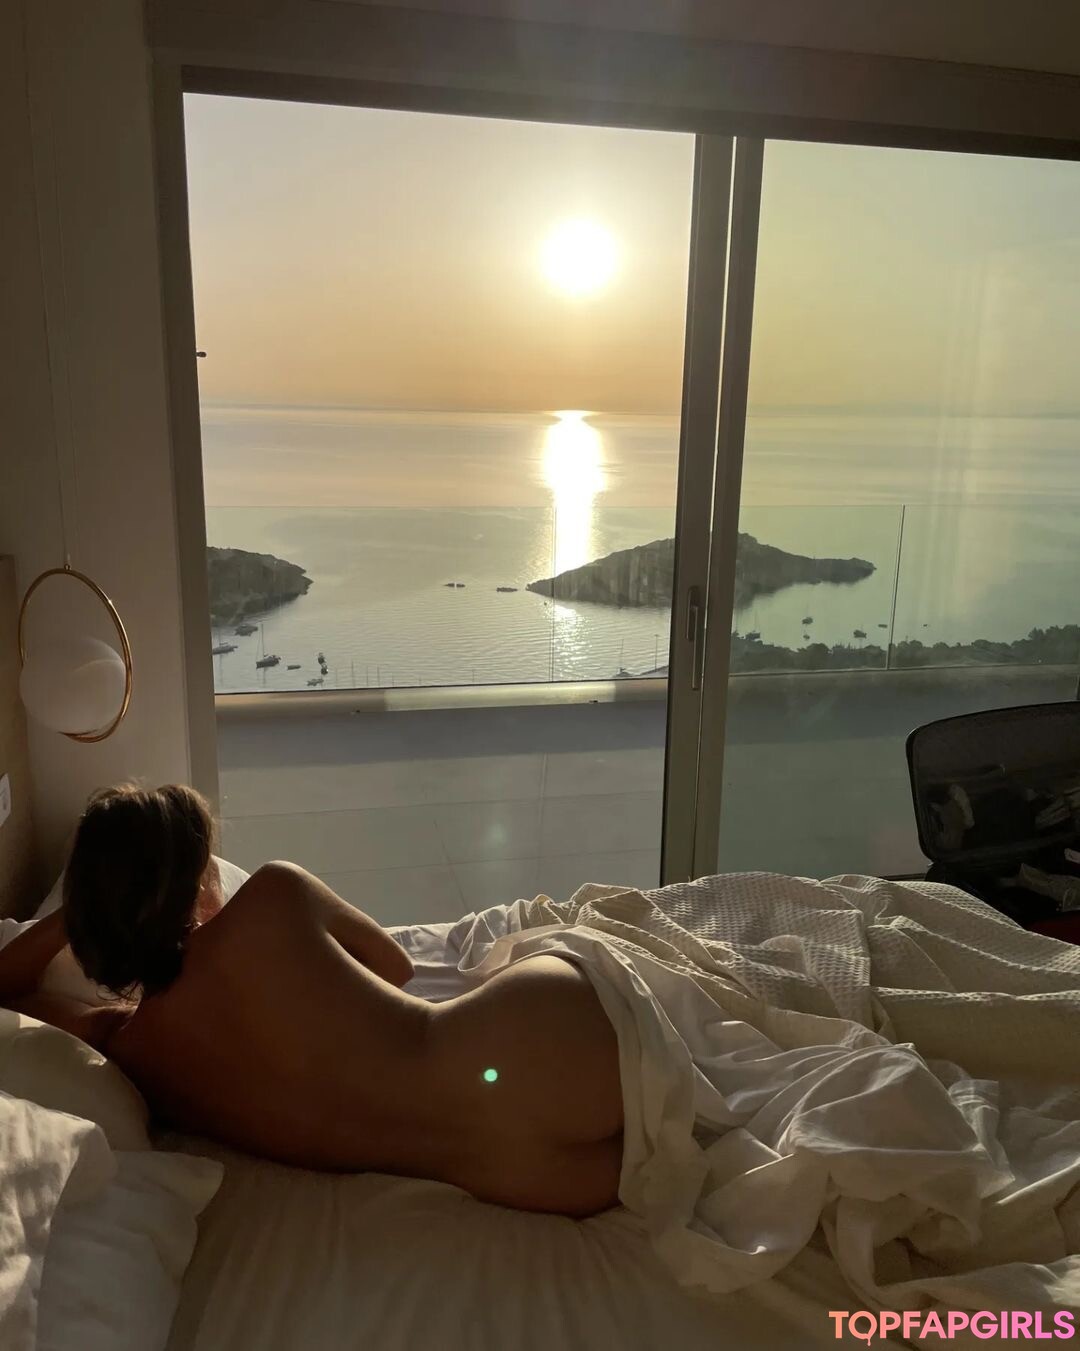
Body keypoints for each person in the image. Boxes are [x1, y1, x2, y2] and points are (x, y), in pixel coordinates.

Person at [0, 784, 623, 1218]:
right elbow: (394, 965)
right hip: (528, 1041)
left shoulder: (132, 1047)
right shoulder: (271, 897)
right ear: (198, 878)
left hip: (527, 1177)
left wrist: (77, 917)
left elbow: (8, 986)